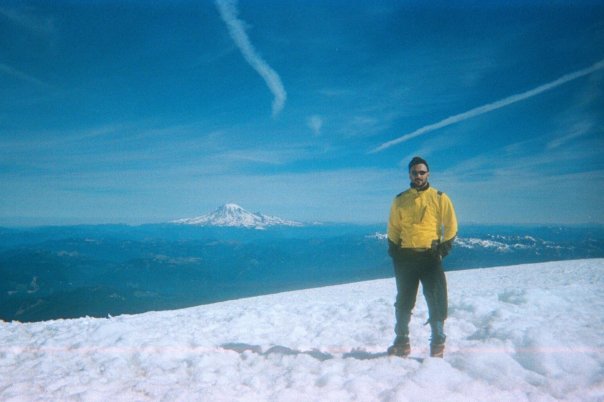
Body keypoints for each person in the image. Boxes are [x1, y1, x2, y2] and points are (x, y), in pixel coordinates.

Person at [386, 156, 457, 358]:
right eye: (414, 172)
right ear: (409, 174)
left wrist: (442, 250)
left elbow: (451, 225)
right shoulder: (400, 200)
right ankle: (402, 343)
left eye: (421, 172)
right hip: (406, 258)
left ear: (428, 174)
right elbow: (393, 228)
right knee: (403, 300)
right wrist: (395, 251)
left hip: (430, 257)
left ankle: (437, 345)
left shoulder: (440, 198)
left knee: (436, 299)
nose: (418, 175)